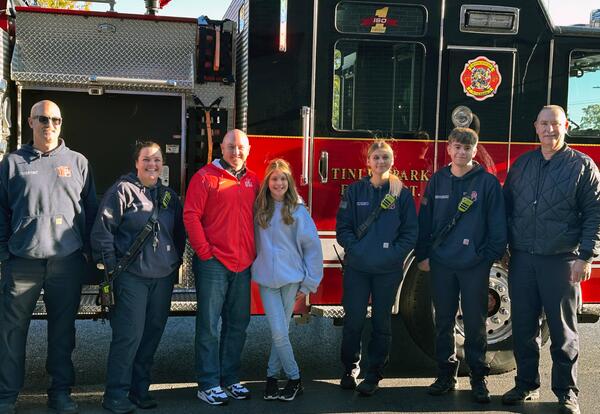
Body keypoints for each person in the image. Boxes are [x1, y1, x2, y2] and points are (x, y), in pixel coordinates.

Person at [0, 100, 97, 414]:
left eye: (56, 119)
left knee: (62, 330)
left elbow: (91, 212)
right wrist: (4, 254)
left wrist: (86, 254)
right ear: (30, 122)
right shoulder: (12, 163)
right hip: (23, 261)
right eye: (43, 119)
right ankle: (6, 395)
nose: (50, 125)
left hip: (65, 262)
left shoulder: (79, 163)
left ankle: (60, 393)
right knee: (12, 331)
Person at [502, 105, 600, 414]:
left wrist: (585, 257)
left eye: (555, 124)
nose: (549, 130)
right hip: (522, 259)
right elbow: (506, 208)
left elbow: (595, 215)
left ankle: (566, 392)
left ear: (566, 126)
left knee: (562, 330)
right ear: (535, 126)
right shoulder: (523, 164)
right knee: (523, 326)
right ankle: (525, 384)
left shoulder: (583, 167)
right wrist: (503, 248)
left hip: (561, 260)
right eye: (544, 124)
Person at [91, 142, 185, 413]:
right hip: (131, 278)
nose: (152, 165)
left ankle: (139, 390)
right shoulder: (122, 191)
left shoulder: (169, 197)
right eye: (146, 159)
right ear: (136, 163)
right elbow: (102, 233)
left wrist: (172, 262)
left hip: (162, 279)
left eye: (156, 160)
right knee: (128, 336)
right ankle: (115, 395)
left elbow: (178, 235)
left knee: (151, 335)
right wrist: (110, 273)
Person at [415, 127, 507, 403]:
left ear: (475, 151)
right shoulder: (438, 181)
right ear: (449, 149)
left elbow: (498, 225)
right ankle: (446, 374)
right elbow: (426, 220)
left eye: (467, 148)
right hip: (442, 263)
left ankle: (478, 378)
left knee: (475, 322)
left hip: (473, 266)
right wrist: (423, 255)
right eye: (456, 147)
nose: (461, 152)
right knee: (443, 321)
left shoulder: (487, 184)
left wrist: (487, 256)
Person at [183, 129, 259, 406]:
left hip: (243, 264)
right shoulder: (204, 177)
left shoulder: (253, 180)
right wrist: (205, 253)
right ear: (221, 149)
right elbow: (191, 215)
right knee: (209, 327)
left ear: (248, 150)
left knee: (238, 324)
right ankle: (208, 383)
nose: (236, 152)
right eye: (230, 147)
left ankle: (230, 379)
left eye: (241, 147)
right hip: (214, 263)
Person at [335, 140, 418, 396]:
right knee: (354, 321)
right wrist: (357, 250)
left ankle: (373, 374)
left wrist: (392, 254)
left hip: (387, 271)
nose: (381, 161)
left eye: (385, 157)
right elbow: (343, 228)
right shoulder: (354, 191)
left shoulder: (401, 193)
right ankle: (349, 368)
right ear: (368, 161)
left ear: (392, 161)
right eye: (376, 157)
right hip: (357, 268)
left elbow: (410, 232)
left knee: (381, 323)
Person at [252, 159, 323, 402]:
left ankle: (277, 379)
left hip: (291, 280)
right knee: (279, 332)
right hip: (266, 281)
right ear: (267, 182)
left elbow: (312, 248)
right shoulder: (260, 209)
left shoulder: (298, 211)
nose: (278, 183)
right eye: (274, 178)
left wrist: (309, 283)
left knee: (280, 333)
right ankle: (293, 379)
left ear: (289, 182)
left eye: (283, 178)